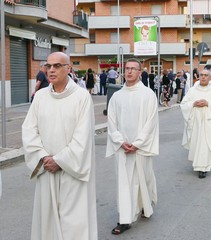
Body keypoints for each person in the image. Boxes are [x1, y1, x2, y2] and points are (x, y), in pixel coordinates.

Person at [22, 52, 97, 240]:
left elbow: (83, 136)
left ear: (68, 69)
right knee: (46, 221)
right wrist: (42, 157)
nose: (51, 70)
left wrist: (60, 160)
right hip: (46, 168)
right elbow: (29, 130)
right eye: (49, 66)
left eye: (57, 66)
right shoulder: (40, 97)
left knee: (73, 224)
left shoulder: (81, 97)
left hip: (72, 171)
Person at [106, 58, 159, 235]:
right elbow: (111, 122)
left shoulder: (148, 94)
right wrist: (120, 141)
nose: (129, 72)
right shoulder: (117, 96)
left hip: (140, 147)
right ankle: (125, 219)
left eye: (133, 69)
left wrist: (137, 144)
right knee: (124, 182)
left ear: (140, 72)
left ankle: (145, 204)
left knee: (142, 178)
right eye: (126, 69)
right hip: (122, 148)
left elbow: (151, 122)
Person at [181, 69, 211, 178]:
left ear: (210, 77)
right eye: (201, 75)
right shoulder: (192, 90)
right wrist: (193, 104)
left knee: (206, 144)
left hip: (208, 123)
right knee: (196, 144)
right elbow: (184, 104)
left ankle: (204, 168)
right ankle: (198, 166)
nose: (204, 77)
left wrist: (208, 104)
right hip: (195, 123)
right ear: (198, 76)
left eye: (206, 75)